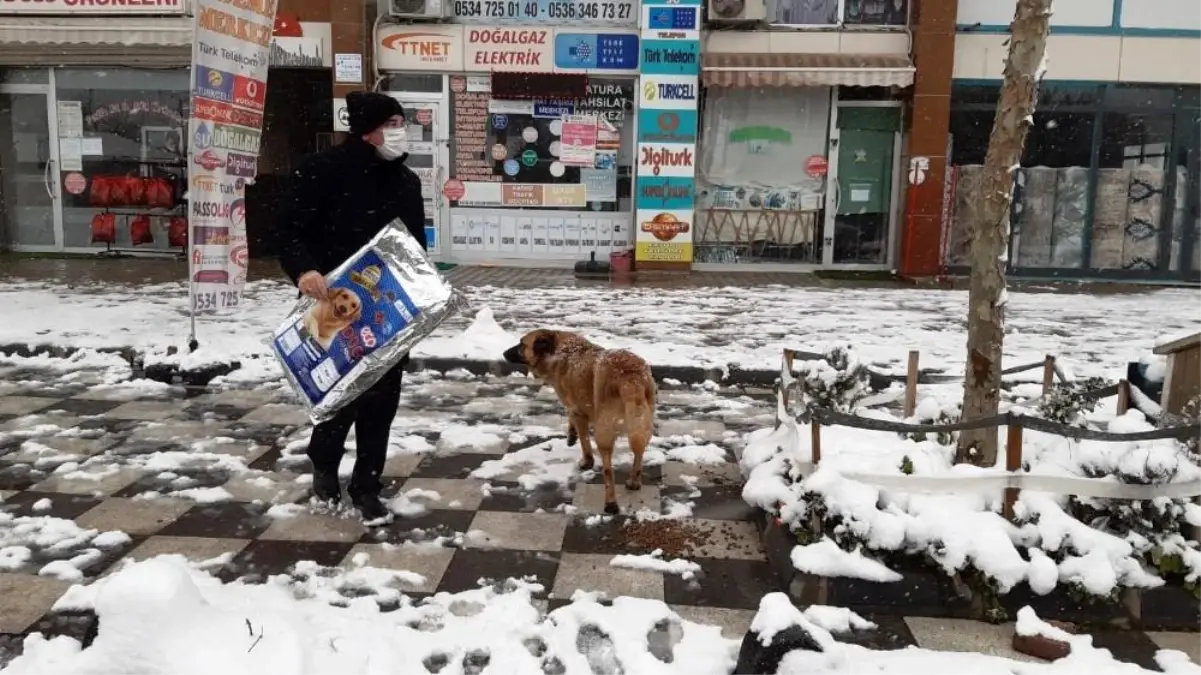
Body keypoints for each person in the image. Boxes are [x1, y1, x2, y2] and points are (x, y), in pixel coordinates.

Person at [276, 91, 427, 522]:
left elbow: (413, 248)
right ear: (367, 129)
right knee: (337, 395)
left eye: (402, 123)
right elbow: (288, 231)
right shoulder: (318, 173)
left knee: (382, 400)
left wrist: (420, 295)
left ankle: (367, 483)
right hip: (331, 304)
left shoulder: (406, 182)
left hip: (387, 311)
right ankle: (324, 464)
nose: (400, 132)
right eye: (393, 123)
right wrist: (304, 270)